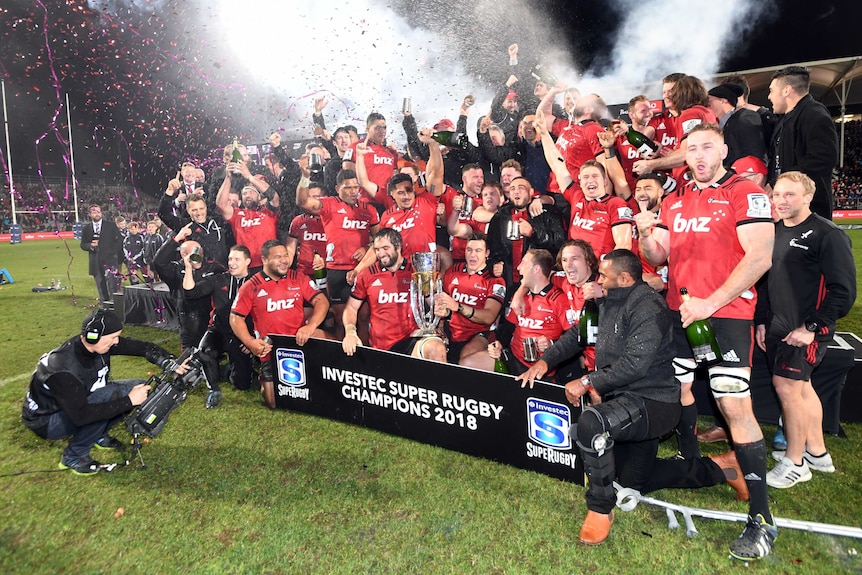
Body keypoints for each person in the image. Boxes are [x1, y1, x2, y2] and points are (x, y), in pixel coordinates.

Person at [515, 250, 747, 547]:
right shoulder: (608, 300)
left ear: (624, 278)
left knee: (591, 424)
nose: (598, 280)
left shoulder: (649, 308)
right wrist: (544, 362)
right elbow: (577, 335)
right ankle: (722, 468)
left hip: (655, 403)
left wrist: (587, 381)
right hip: (625, 400)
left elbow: (635, 364)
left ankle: (600, 509)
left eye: (604, 275)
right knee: (631, 482)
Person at [636, 123, 777, 560]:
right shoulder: (674, 199)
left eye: (706, 147)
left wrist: (710, 303)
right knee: (678, 388)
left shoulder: (743, 191)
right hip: (683, 314)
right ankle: (694, 464)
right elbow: (658, 256)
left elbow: (759, 257)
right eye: (691, 149)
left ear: (723, 149)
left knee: (733, 404)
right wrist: (644, 232)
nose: (698, 155)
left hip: (727, 314)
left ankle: (762, 519)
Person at [755, 171, 856, 488]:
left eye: (789, 195)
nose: (781, 201)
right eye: (777, 195)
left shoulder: (827, 235)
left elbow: (843, 291)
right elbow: (766, 282)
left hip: (805, 330)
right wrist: (762, 319)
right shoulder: (775, 230)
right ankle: (816, 451)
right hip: (778, 326)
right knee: (802, 387)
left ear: (808, 197)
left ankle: (794, 463)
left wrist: (812, 326)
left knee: (788, 389)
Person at [21, 309, 177, 475]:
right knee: (113, 395)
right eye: (112, 337)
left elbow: (143, 347)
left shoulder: (96, 345)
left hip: (74, 405)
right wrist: (129, 401)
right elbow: (82, 416)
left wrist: (170, 362)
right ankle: (73, 456)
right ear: (92, 336)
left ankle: (97, 434)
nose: (116, 342)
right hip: (46, 421)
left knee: (137, 387)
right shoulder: (64, 368)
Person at [230, 241, 329, 409]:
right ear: (264, 260)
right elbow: (235, 318)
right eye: (277, 257)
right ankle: (264, 376)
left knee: (329, 338)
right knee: (274, 402)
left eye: (285, 256)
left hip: (301, 340)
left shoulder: (298, 277)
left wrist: (310, 326)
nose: (284, 260)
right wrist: (251, 342)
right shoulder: (251, 286)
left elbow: (322, 301)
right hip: (272, 349)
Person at [296, 169, 380, 341]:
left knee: (364, 318)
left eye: (356, 187)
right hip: (337, 271)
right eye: (348, 187)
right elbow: (302, 201)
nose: (353, 191)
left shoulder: (368, 210)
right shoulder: (328, 204)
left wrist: (366, 247)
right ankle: (345, 361)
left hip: (363, 269)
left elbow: (380, 240)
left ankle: (364, 358)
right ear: (337, 188)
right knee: (341, 320)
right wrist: (305, 178)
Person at [341, 228, 447, 362]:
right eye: (377, 249)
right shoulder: (367, 274)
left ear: (398, 247)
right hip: (381, 347)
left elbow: (434, 302)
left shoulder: (415, 271)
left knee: (436, 348)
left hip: (412, 342)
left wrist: (441, 307)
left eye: (385, 248)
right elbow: (351, 308)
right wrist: (350, 331)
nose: (381, 254)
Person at [463, 249, 571, 374]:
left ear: (536, 269)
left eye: (523, 263)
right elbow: (508, 328)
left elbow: (573, 337)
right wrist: (498, 344)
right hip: (514, 359)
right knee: (467, 364)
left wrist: (551, 343)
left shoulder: (558, 299)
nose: (518, 268)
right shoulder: (520, 296)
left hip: (542, 367)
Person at [183, 245, 256, 408]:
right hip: (219, 331)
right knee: (204, 351)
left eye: (237, 259)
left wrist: (252, 338)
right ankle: (214, 390)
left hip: (242, 334)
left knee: (243, 384)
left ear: (248, 261)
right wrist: (188, 268)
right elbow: (191, 293)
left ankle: (227, 369)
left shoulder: (257, 282)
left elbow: (265, 312)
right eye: (230, 259)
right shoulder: (218, 279)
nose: (232, 263)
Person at [767, 66, 839, 219]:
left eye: (772, 90)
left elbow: (822, 158)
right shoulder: (785, 119)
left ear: (787, 90)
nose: (769, 97)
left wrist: (777, 182)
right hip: (789, 208)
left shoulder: (815, 114)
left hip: (809, 211)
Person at [434, 232, 506, 364]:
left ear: (487, 253)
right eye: (469, 250)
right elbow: (443, 303)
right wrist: (441, 316)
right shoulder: (453, 270)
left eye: (478, 250)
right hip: (452, 331)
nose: (473, 255)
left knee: (466, 356)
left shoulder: (495, 280)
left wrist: (458, 307)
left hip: (479, 333)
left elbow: (489, 317)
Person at [216, 164, 279, 271]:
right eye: (244, 193)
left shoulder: (269, 212)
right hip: (246, 267)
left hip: (269, 264)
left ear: (259, 197)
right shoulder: (237, 214)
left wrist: (249, 177)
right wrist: (228, 178)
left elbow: (274, 197)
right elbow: (221, 205)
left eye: (251, 192)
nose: (248, 195)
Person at [707, 84, 767, 168]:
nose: (706, 104)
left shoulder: (744, 117)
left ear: (724, 100)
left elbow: (755, 152)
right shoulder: (719, 127)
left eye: (709, 100)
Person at [80, 204, 123, 306]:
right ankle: (105, 306)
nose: (97, 214)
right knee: (100, 284)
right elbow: (82, 245)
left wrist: (112, 252)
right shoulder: (86, 228)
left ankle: (115, 305)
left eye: (98, 211)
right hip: (95, 261)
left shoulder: (110, 225)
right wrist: (90, 245)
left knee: (112, 284)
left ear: (101, 213)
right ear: (90, 214)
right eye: (94, 212)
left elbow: (119, 240)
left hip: (109, 260)